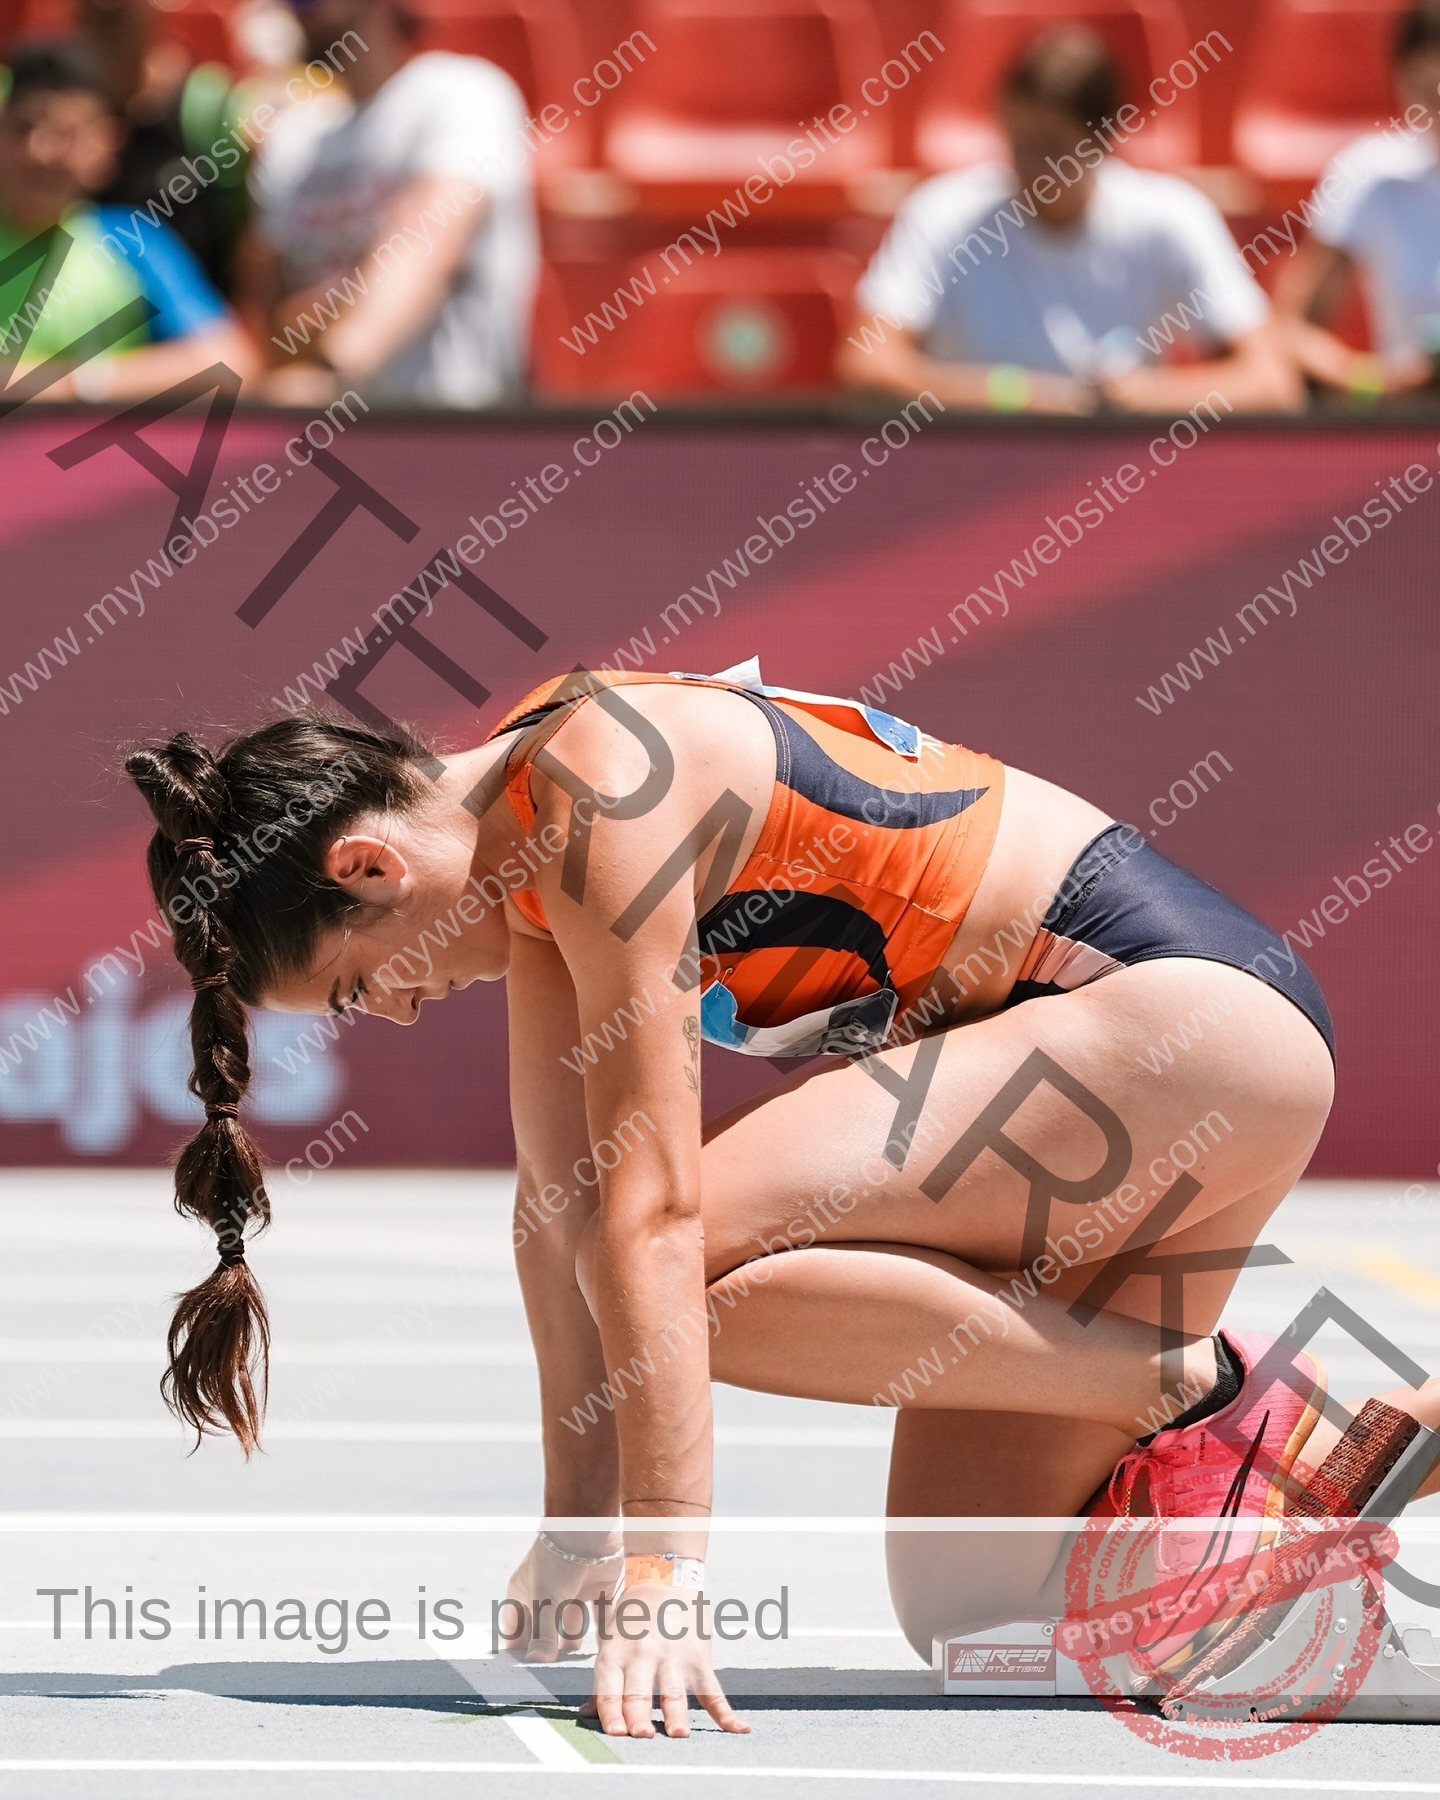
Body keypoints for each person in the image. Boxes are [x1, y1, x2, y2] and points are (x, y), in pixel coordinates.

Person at [123, 661, 1440, 1735]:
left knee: (681, 1274)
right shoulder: (517, 854)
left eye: (360, 988)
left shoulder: (592, 791)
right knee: (981, 1622)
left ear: (365, 870)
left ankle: (1192, 1393)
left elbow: (651, 1220)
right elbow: (557, 1209)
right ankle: (1335, 1448)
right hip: (1079, 1090)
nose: (395, 1014)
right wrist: (578, 1533)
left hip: (1182, 1025)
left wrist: (663, 1575)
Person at [839, 28, 1299, 416]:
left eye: (1052, 147)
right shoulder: (941, 214)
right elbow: (866, 364)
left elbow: (1272, 382)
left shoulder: (1173, 216)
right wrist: (1016, 395)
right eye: (1020, 142)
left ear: (1105, 142)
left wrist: (1138, 399)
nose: (1031, 165)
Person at [239, 0, 538, 408]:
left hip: (457, 435)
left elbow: (429, 243)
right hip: (330, 449)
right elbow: (274, 324)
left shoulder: (461, 93)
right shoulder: (291, 142)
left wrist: (330, 371)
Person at [0, 40, 256, 404]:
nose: (39, 151)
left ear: (106, 145)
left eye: (64, 134)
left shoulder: (130, 240)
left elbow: (228, 362)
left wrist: (65, 386)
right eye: (21, 128)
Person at [1274, 1, 1440, 397]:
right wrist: (1373, 382)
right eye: (1426, 91)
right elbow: (1291, 331)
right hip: (1410, 439)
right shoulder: (1367, 174)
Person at [73, 0, 253, 295]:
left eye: (120, 10)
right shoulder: (50, 109)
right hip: (84, 322)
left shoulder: (212, 111)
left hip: (196, 322)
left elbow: (249, 242)